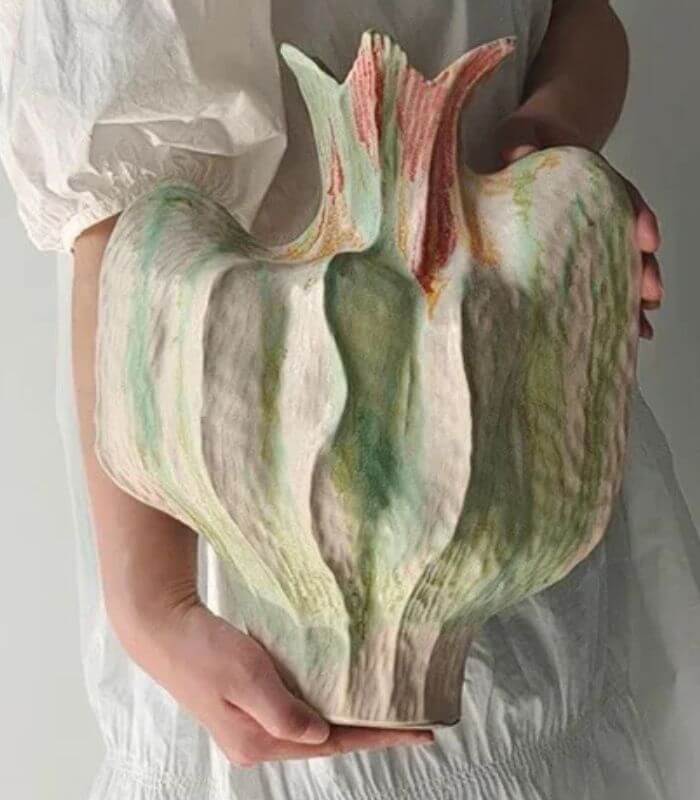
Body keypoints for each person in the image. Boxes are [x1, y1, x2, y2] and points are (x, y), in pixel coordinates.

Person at [1, 1, 699, 798]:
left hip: (514, 412)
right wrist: (156, 604)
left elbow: (576, 14)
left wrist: (548, 165)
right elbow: (123, 198)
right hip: (267, 496)